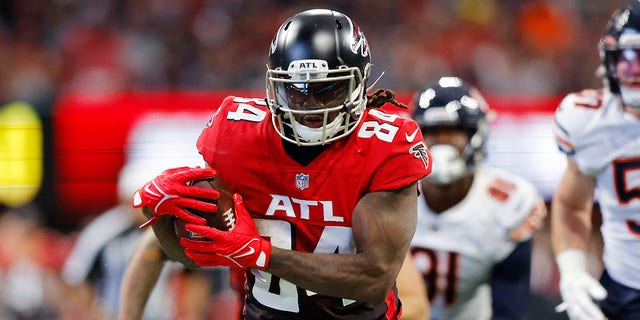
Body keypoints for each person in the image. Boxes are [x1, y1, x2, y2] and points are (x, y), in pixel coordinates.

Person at [120, 8, 432, 320]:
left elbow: (374, 279)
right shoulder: (238, 137)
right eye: (295, 89)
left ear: (359, 84)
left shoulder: (386, 146)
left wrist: (261, 253)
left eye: (327, 90)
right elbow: (190, 254)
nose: (310, 104)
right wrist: (158, 213)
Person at [396, 76, 547, 320]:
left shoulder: (508, 205)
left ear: (476, 136)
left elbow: (510, 309)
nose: (441, 142)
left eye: (453, 132)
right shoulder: (387, 191)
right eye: (432, 132)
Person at [551, 1, 640, 319]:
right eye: (627, 57)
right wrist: (572, 271)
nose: (635, 70)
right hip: (625, 289)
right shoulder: (588, 121)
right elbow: (572, 204)